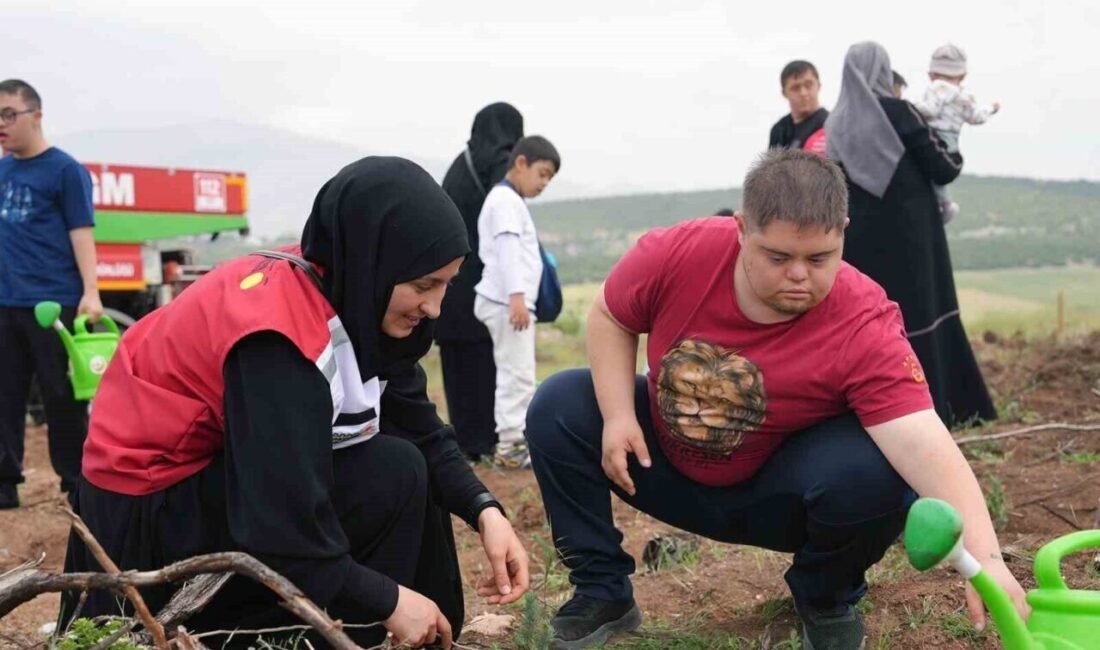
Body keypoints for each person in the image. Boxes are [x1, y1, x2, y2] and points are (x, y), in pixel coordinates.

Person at [525, 149, 1027, 650]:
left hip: (777, 495)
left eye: (819, 258)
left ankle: (824, 597)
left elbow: (921, 441)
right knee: (559, 406)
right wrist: (617, 416)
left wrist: (987, 560)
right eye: (779, 257)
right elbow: (611, 315)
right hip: (659, 465)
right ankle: (602, 592)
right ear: (742, 229)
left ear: (843, 233)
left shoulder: (863, 320)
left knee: (875, 473)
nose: (799, 275)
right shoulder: (678, 254)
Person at [61, 158, 530, 649]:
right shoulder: (277, 342)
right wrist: (387, 600)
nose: (435, 307)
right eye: (423, 285)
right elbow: (278, 526)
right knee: (389, 473)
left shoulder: (354, 292)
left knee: (404, 465)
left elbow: (421, 428)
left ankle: (427, 636)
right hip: (147, 517)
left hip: (213, 485)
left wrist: (485, 511)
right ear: (375, 261)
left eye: (447, 283)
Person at [825, 41, 997, 427]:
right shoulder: (899, 112)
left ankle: (875, 411)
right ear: (883, 71)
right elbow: (944, 168)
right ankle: (943, 409)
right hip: (913, 237)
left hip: (860, 242)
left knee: (873, 321)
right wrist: (955, 146)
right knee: (923, 314)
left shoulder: (836, 123)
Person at [0, 79, 100, 509]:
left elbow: (81, 234)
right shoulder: (3, 170)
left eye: (9, 114)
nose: (1, 124)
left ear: (36, 116)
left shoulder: (65, 170)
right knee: (5, 395)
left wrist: (91, 292)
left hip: (53, 303)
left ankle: (75, 484)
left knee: (61, 396)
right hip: (5, 302)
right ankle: (5, 484)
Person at [435, 103, 524, 462]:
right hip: (482, 290)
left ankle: (470, 443)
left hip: (449, 288)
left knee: (460, 370)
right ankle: (488, 443)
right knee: (489, 367)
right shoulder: (499, 166)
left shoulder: (464, 163)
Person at [473, 135, 560, 469]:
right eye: (542, 173)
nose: (544, 183)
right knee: (517, 375)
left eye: (549, 178)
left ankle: (515, 443)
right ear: (521, 163)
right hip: (507, 301)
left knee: (517, 372)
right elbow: (508, 250)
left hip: (507, 300)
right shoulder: (505, 201)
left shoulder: (508, 200)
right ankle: (511, 447)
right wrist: (517, 298)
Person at [913, 43, 1001, 222]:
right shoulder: (965, 96)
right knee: (936, 176)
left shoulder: (937, 87)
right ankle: (945, 204)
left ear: (931, 74)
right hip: (952, 144)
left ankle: (943, 205)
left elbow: (930, 110)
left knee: (924, 169)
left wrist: (908, 106)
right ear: (962, 76)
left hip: (936, 137)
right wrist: (991, 109)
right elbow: (976, 117)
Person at [768, 60, 828, 156]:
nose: (803, 93)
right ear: (784, 93)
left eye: (808, 85)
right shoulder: (779, 130)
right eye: (795, 88)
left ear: (819, 86)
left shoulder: (831, 126)